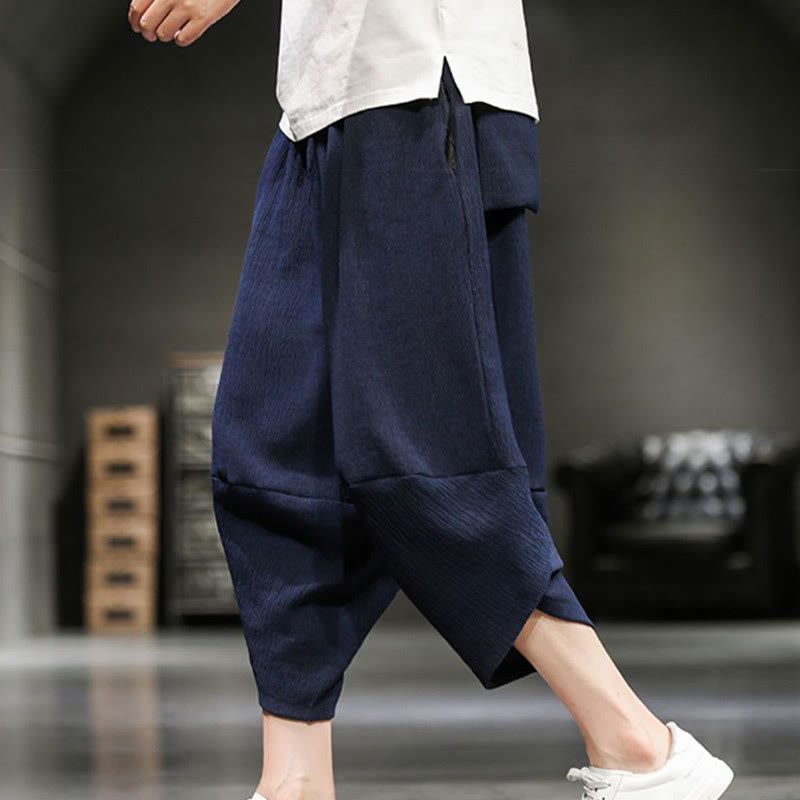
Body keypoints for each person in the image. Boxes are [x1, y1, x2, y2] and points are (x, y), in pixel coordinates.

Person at [127, 2, 736, 799]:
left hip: (420, 82)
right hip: (320, 102)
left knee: (425, 454)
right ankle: (294, 781)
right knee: (274, 454)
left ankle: (637, 744)